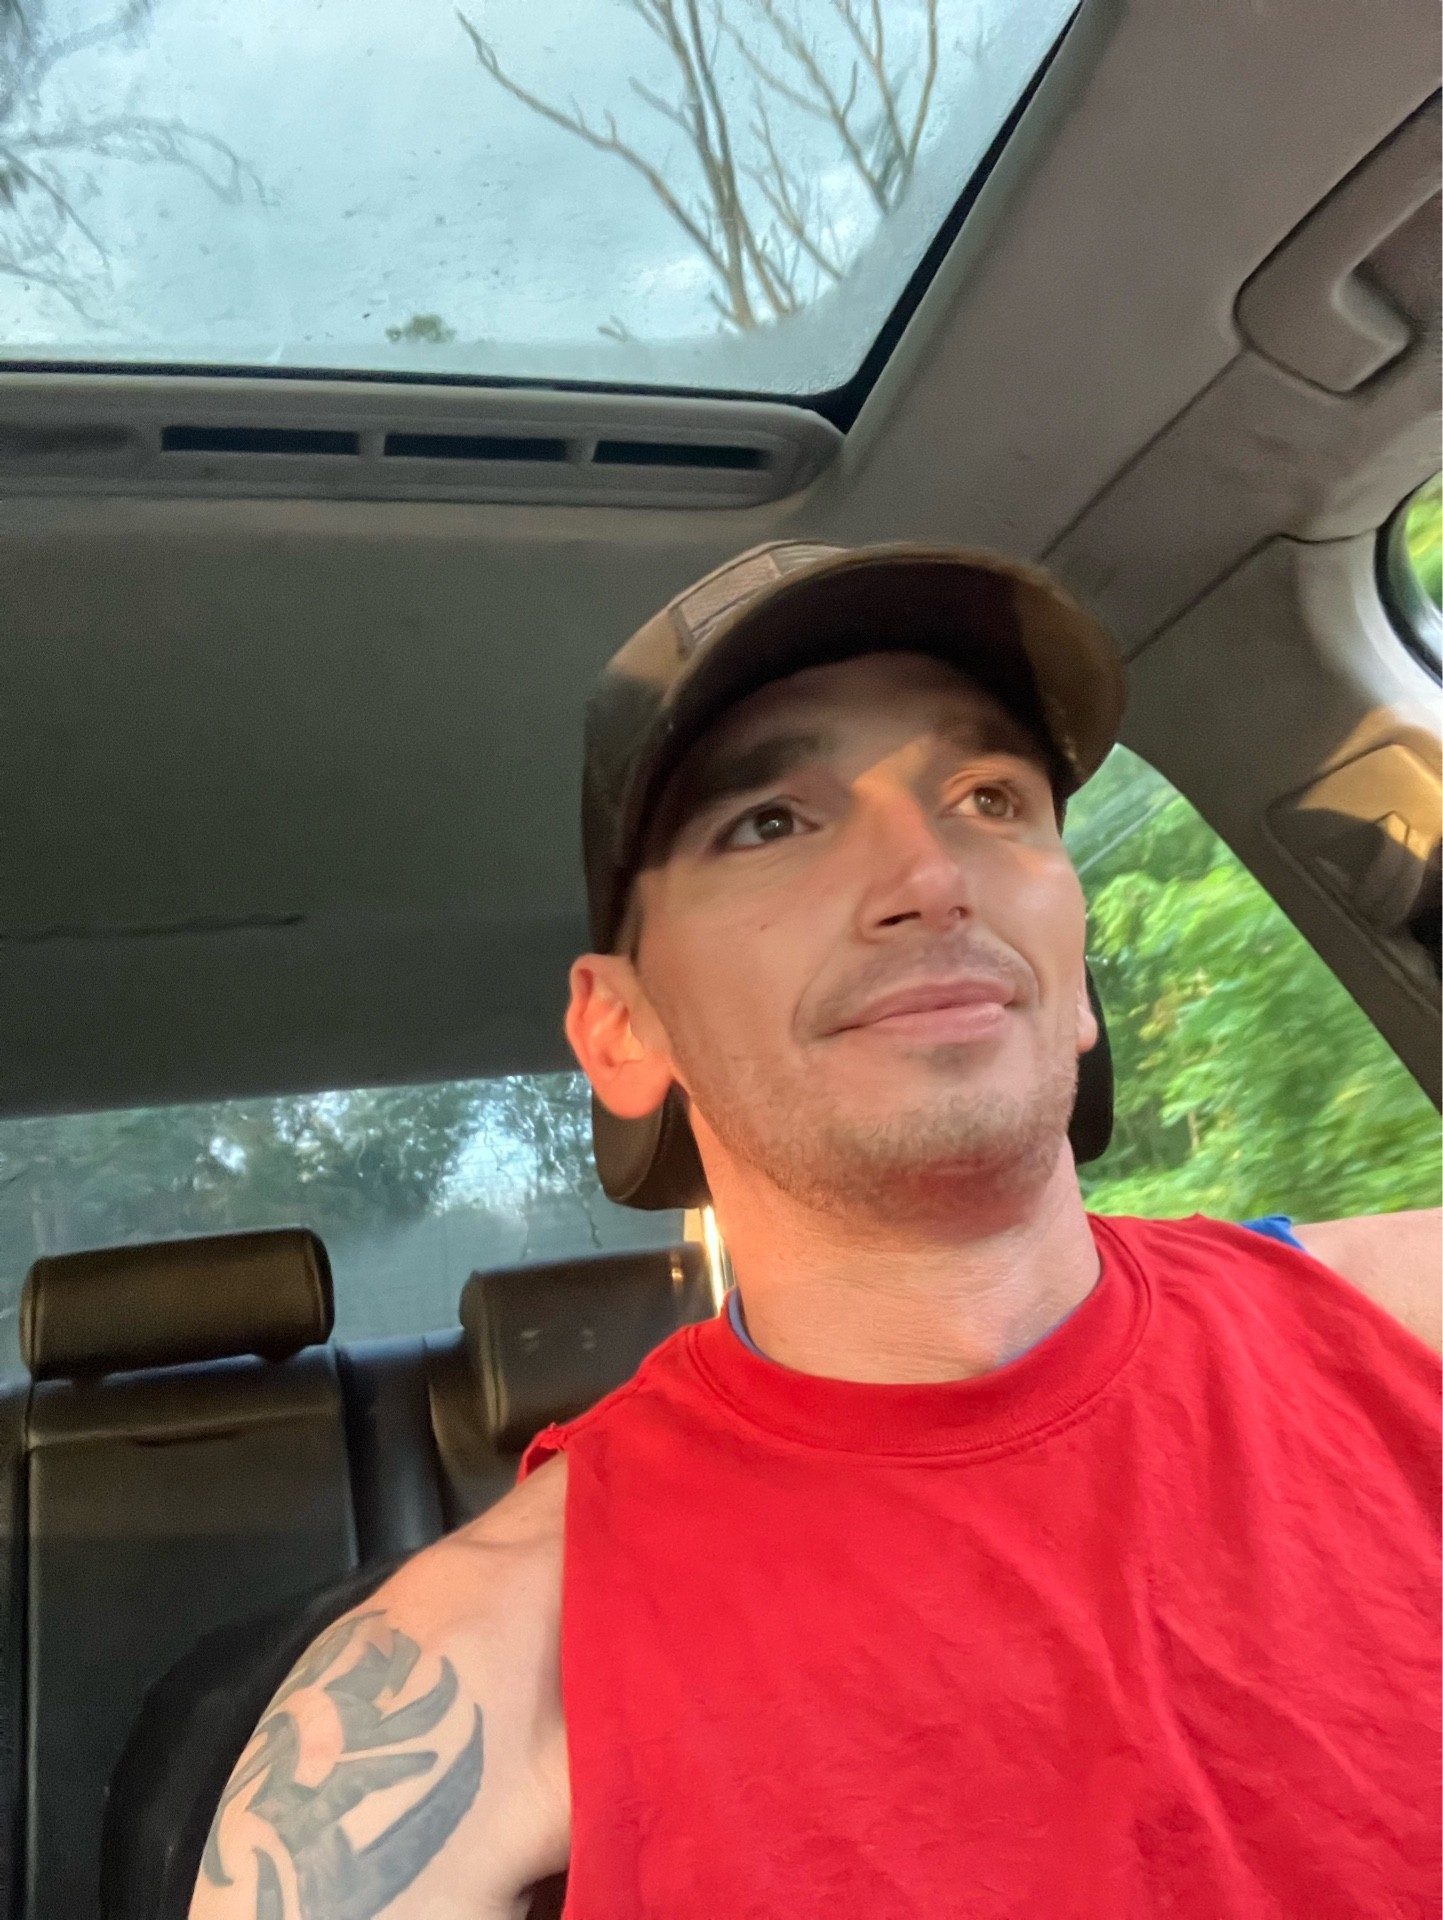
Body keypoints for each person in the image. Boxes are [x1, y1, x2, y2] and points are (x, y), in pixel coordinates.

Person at [191, 543, 1440, 1920]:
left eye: (989, 798)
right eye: (771, 821)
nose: (931, 875)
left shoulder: (1410, 1317)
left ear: (1079, 979)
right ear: (623, 1031)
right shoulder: (452, 1696)